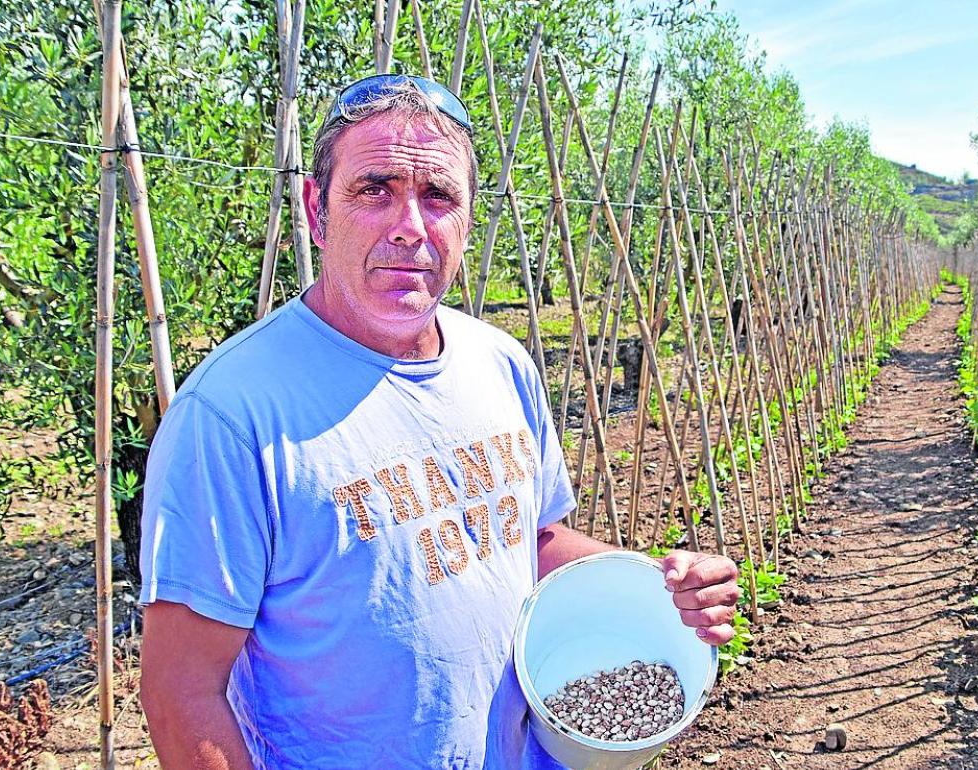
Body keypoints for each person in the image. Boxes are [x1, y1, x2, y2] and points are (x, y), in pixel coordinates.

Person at [137, 74, 740, 770]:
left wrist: (659, 582)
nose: (409, 227)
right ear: (315, 207)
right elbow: (182, 689)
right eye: (374, 190)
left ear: (467, 217)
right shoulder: (233, 414)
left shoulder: (499, 362)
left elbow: (530, 537)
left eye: (438, 197)